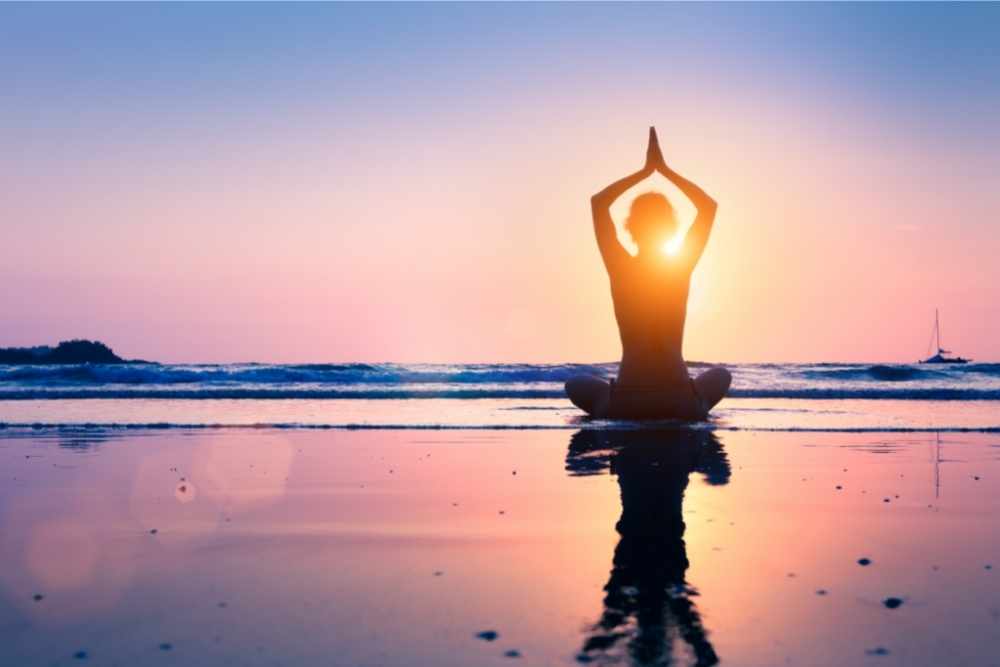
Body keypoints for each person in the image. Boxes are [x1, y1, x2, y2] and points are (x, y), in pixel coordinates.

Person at [565, 127, 731, 420]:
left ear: (630, 227)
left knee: (574, 383)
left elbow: (598, 202)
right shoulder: (679, 267)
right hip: (680, 401)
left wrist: (645, 172)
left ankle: (620, 398)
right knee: (721, 376)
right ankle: (697, 402)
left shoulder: (621, 267)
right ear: (671, 229)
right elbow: (708, 206)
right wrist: (664, 171)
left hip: (626, 402)